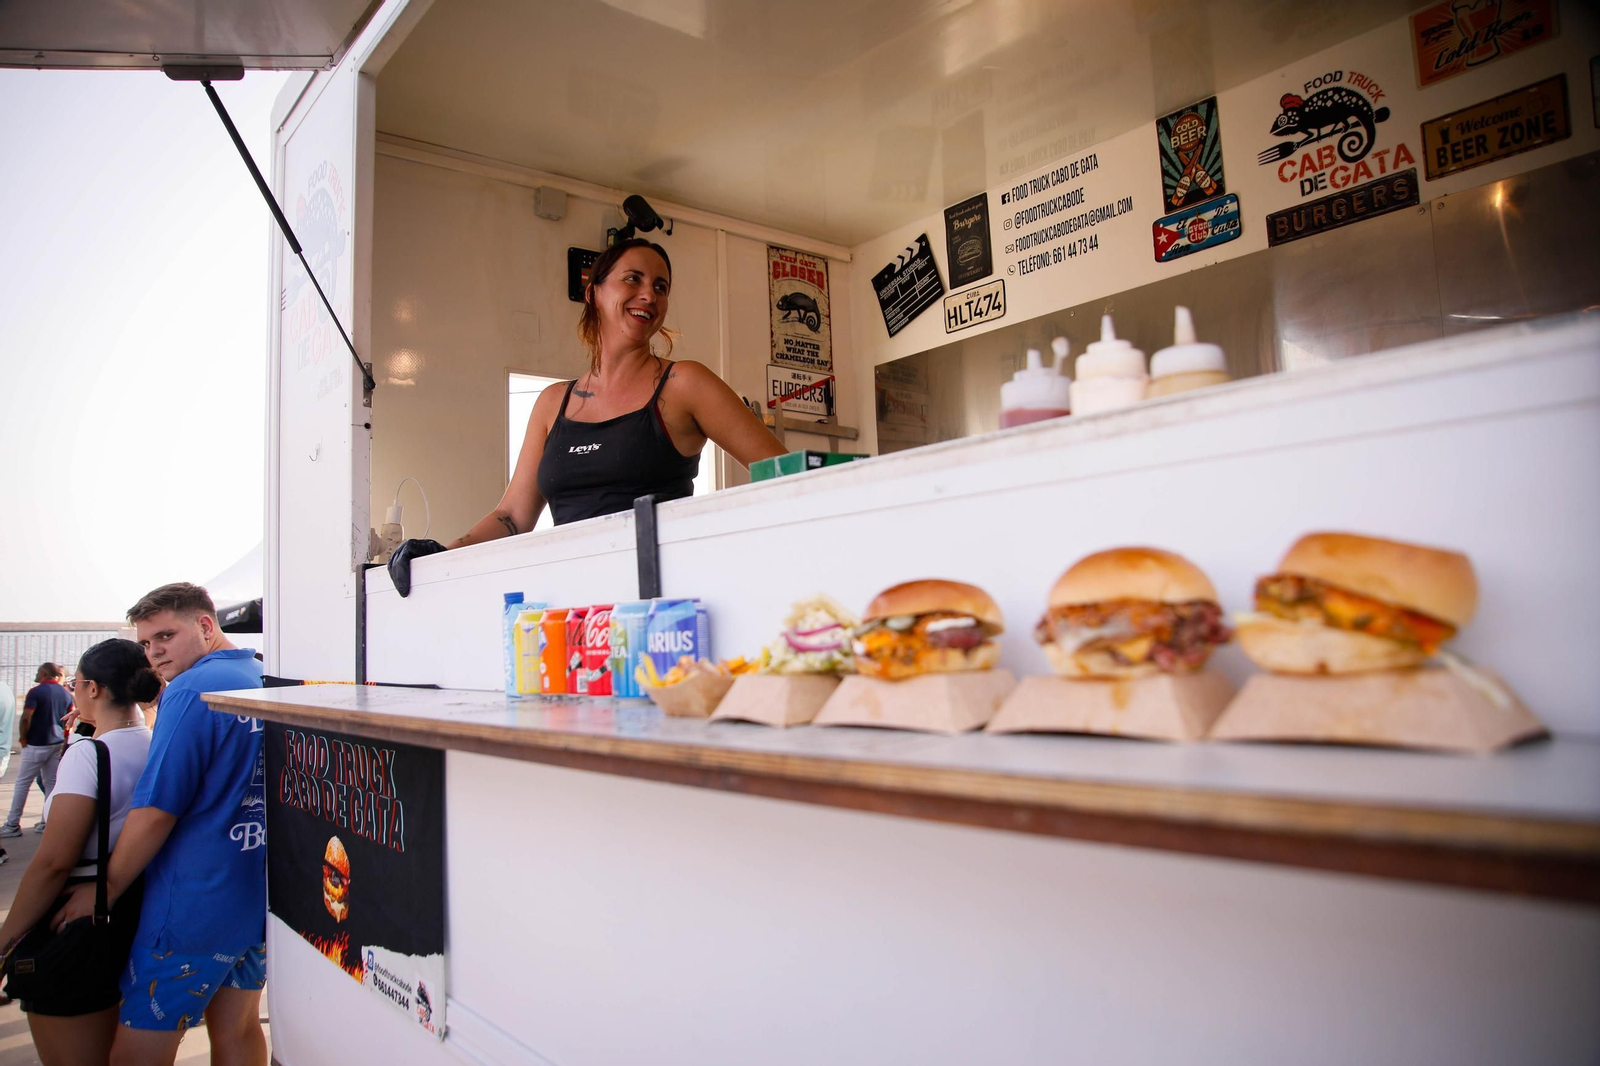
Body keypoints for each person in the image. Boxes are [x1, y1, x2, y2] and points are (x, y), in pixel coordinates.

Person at [54, 583, 266, 1066]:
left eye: (166, 636)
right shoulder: (259, 674)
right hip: (254, 896)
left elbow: (157, 810)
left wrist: (105, 890)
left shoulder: (191, 689)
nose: (154, 653)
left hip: (191, 906)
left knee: (139, 1046)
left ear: (206, 626)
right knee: (238, 1029)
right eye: (146, 643)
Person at [451, 237, 787, 542]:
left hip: (655, 589)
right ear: (593, 293)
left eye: (660, 287)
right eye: (632, 279)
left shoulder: (685, 383)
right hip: (573, 589)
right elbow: (512, 516)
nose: (649, 295)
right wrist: (440, 552)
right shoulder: (552, 402)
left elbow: (787, 473)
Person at [0, 639, 157, 1064]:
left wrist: (5, 942)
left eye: (76, 684)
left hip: (76, 919)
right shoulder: (154, 743)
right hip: (132, 910)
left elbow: (54, 863)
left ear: (93, 689)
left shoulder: (88, 755)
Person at [2, 664, 72, 838]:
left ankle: (12, 824)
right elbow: (68, 722)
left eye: (38, 672)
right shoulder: (65, 694)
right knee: (51, 784)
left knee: (23, 783)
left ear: (44, 673)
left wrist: (23, 738)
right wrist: (65, 741)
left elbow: (26, 717)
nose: (36, 675)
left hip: (36, 744)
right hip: (56, 743)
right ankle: (46, 822)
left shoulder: (36, 692)